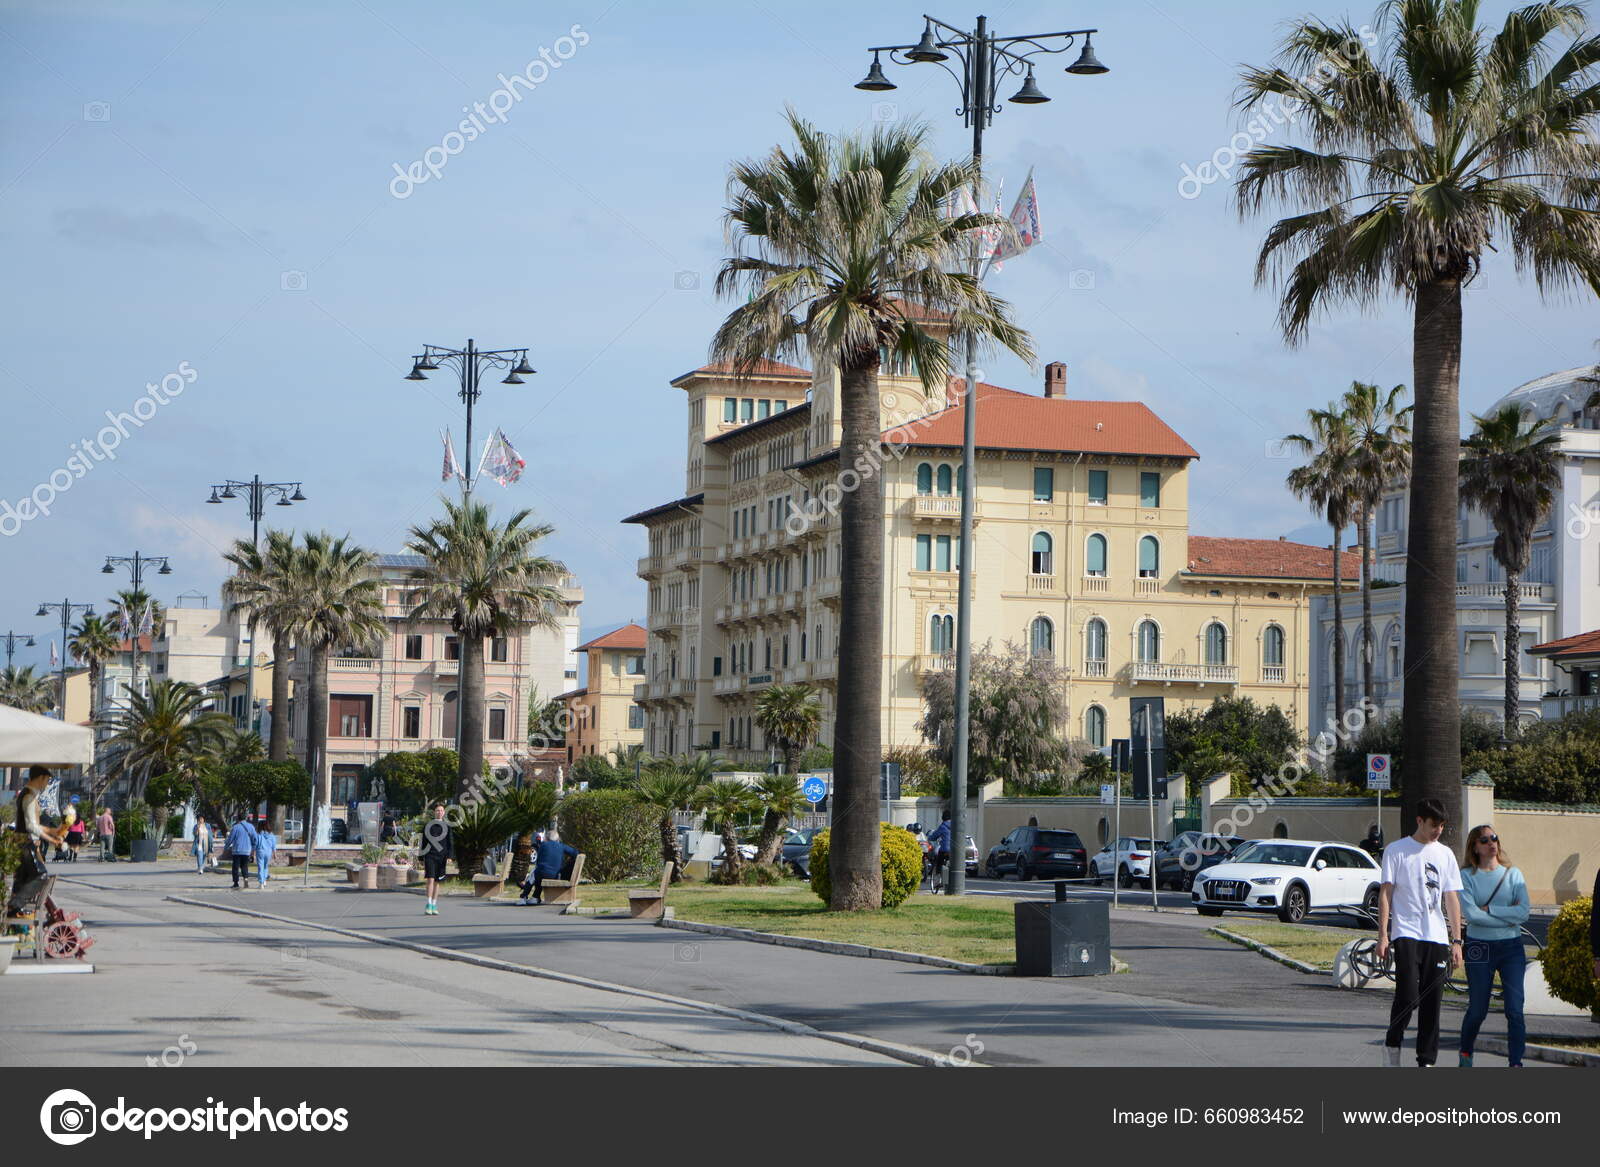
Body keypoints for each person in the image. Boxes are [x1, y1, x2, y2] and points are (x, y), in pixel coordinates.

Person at [1377, 797, 1464, 1067]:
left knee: (1432, 1002)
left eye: (1442, 826)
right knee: (1408, 996)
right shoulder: (1396, 850)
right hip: (1406, 932)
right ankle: (1393, 1041)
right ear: (1419, 821)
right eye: (1433, 825)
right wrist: (1383, 935)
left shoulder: (1445, 854)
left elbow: (1451, 898)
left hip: (1436, 936)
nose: (1438, 830)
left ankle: (1426, 1060)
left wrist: (1457, 941)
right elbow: (1385, 894)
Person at [1457, 824, 1529, 1067]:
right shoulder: (1467, 876)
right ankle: (1466, 1053)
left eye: (1494, 838)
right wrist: (1507, 916)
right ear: (1475, 847)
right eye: (1485, 840)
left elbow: (1523, 912)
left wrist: (1491, 910)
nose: (1491, 843)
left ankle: (1516, 1063)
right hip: (1479, 946)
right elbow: (1472, 916)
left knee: (1515, 1009)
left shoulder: (1513, 874)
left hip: (1511, 947)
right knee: (1478, 1009)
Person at [6, 766, 66, 916]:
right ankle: (15, 905)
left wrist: (53, 831)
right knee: (41, 875)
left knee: (22, 878)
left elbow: (34, 824)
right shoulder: (29, 797)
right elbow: (31, 826)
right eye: (47, 780)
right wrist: (52, 839)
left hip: (21, 841)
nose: (46, 784)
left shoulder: (28, 794)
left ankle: (15, 913)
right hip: (24, 842)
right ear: (40, 778)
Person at [517, 829, 577, 905]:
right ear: (557, 839)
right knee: (538, 873)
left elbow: (539, 861)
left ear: (547, 838)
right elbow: (575, 853)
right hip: (556, 875)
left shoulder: (543, 845)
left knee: (534, 874)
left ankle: (523, 897)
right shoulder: (562, 846)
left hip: (542, 873)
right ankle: (535, 897)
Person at [420, 802, 451, 915]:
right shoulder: (428, 826)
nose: (439, 812)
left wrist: (450, 856)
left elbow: (450, 842)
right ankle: (428, 904)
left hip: (442, 857)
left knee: (437, 881)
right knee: (430, 879)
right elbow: (423, 842)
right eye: (438, 810)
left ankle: (434, 904)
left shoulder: (447, 826)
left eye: (441, 810)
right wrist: (421, 857)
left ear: (444, 812)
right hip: (430, 856)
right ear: (434, 812)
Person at [225, 812, 258, 890]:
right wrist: (253, 847)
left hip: (237, 850)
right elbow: (255, 838)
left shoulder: (235, 827)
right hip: (247, 850)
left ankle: (236, 883)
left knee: (235, 867)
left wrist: (226, 846)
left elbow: (231, 839)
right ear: (245, 818)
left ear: (238, 818)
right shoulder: (251, 827)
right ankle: (245, 879)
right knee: (244, 866)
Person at [925, 810, 952, 882]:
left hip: (945, 850)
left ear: (943, 817)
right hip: (954, 851)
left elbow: (934, 836)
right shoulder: (956, 826)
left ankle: (938, 879)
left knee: (939, 863)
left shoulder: (943, 826)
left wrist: (929, 837)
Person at [254, 822, 278, 889]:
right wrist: (274, 854)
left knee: (260, 867)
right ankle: (264, 880)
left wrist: (253, 853)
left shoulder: (258, 834)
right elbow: (274, 845)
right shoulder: (271, 835)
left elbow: (256, 844)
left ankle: (261, 883)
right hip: (268, 852)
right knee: (265, 867)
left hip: (260, 851)